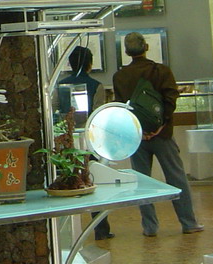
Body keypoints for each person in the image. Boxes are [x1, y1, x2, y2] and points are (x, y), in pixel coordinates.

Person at [112, 32, 203, 237]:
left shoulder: (119, 76)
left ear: (126, 51)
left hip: (136, 137)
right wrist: (160, 126)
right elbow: (170, 100)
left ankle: (150, 227)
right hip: (162, 135)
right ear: (146, 47)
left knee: (142, 182)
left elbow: (121, 106)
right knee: (176, 177)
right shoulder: (161, 71)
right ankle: (188, 222)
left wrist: (140, 130)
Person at [58, 45, 112, 240]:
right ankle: (101, 229)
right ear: (90, 64)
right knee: (92, 182)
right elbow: (98, 116)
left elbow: (56, 113)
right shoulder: (96, 86)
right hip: (89, 143)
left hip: (66, 142)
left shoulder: (60, 86)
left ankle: (65, 231)